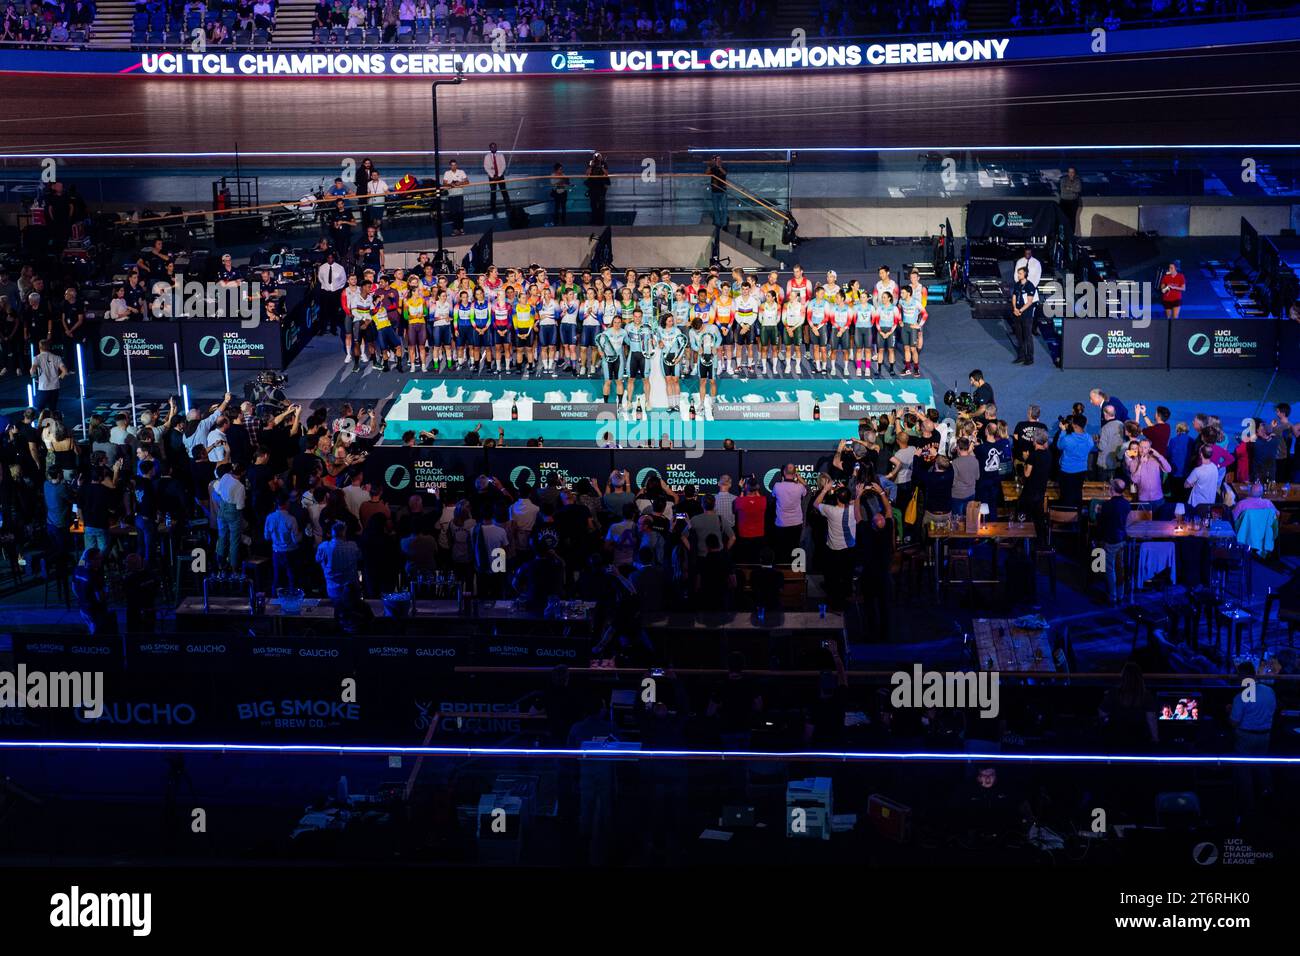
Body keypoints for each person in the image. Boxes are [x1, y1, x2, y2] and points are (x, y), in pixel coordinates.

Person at [1096, 478, 1130, 604]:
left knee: (1109, 569)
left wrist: (1098, 514)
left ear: (1112, 489)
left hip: (1110, 541)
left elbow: (1102, 524)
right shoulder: (1126, 504)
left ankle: (1112, 596)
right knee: (1120, 568)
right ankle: (1120, 595)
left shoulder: (1107, 505)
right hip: (1122, 539)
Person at [771, 464, 807, 560]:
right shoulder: (800, 487)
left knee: (782, 549)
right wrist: (799, 478)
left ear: (783, 473)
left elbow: (773, 495)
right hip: (796, 524)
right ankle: (794, 571)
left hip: (781, 524)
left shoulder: (777, 486)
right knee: (794, 548)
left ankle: (782, 569)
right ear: (795, 474)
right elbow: (806, 489)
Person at [30, 339, 67, 414]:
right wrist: (59, 378)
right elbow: (65, 371)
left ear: (39, 347)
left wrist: (35, 378)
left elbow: (32, 370)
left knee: (39, 408)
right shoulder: (57, 357)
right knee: (52, 409)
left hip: (44, 387)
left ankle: (43, 423)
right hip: (55, 387)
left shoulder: (37, 358)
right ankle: (52, 423)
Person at [1009, 266, 1037, 365]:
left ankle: (1029, 358)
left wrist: (1020, 310)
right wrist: (1014, 308)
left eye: (1020, 273)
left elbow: (1029, 302)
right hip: (1017, 314)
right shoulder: (1017, 285)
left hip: (1026, 315)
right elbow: (1014, 297)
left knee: (1027, 337)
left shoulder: (1030, 286)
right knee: (1019, 336)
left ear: (1025, 274)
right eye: (1018, 273)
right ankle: (1021, 356)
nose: (1018, 275)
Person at [442, 159, 469, 236]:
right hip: (451, 195)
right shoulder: (447, 173)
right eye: (452, 165)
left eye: (455, 165)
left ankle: (461, 228)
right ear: (450, 166)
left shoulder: (461, 172)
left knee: (460, 212)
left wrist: (459, 183)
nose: (453, 166)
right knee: (453, 213)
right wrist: (451, 184)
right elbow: (444, 183)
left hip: (459, 195)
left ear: (457, 165)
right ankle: (455, 229)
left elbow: (467, 182)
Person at [483, 143, 510, 215]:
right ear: (490, 148)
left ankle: (508, 206)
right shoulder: (487, 156)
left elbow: (503, 165)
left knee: (504, 191)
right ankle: (493, 208)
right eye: (492, 147)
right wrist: (492, 176)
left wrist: (499, 175)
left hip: (500, 176)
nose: (493, 148)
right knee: (493, 192)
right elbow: (486, 167)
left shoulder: (500, 155)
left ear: (496, 147)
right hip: (492, 177)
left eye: (494, 147)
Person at [1057, 166, 1082, 239]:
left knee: (1072, 218)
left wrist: (1069, 188)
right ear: (1068, 173)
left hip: (1074, 202)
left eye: (1072, 172)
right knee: (1063, 218)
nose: (1071, 174)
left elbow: (1079, 189)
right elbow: (1063, 190)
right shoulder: (1063, 180)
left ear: (1075, 173)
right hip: (1064, 202)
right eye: (1070, 172)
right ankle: (1062, 235)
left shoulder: (1078, 180)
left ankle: (1071, 235)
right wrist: (1073, 189)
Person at [586, 153, 610, 225]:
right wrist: (591, 166)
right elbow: (587, 174)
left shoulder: (603, 163)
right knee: (593, 205)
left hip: (601, 187)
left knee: (601, 205)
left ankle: (601, 222)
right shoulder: (591, 163)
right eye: (595, 157)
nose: (597, 159)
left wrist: (601, 167)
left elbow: (606, 174)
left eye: (598, 157)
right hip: (593, 187)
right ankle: (594, 221)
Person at [706, 155, 728, 227]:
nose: (717, 161)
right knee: (716, 208)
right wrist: (710, 165)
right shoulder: (713, 168)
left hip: (722, 190)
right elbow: (706, 173)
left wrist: (719, 166)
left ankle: (724, 223)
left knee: (724, 208)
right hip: (714, 191)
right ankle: (718, 223)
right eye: (716, 159)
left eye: (719, 159)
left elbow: (724, 173)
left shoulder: (723, 167)